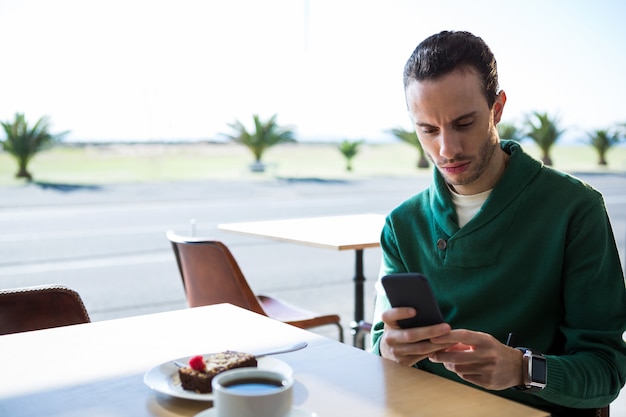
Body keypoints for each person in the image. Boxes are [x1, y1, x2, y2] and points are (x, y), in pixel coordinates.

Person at [370, 30, 626, 416]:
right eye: (428, 130)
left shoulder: (574, 209)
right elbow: (379, 344)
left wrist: (520, 369)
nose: (447, 149)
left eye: (464, 123)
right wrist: (386, 350)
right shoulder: (402, 225)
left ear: (498, 108)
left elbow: (606, 370)